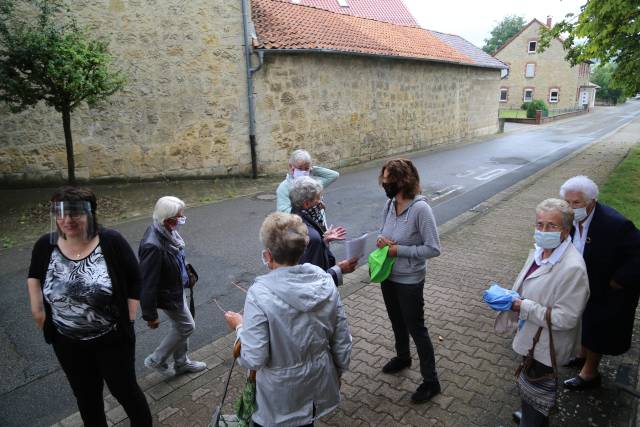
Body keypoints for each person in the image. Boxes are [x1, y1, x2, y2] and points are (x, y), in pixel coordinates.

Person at [27, 187, 152, 427]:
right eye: (61, 213)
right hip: (67, 342)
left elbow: (136, 278)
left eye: (75, 213)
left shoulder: (111, 241)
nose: (67, 220)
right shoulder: (46, 244)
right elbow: (34, 274)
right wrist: (37, 310)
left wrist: (130, 315)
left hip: (111, 339)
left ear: (90, 214)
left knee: (124, 390)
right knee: (86, 396)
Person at [224, 212, 352, 427]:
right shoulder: (324, 281)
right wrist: (337, 373)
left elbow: (254, 358)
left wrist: (239, 327)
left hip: (279, 399)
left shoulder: (259, 294)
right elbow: (341, 338)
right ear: (302, 249)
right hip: (317, 386)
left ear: (268, 255)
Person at [498, 198, 590, 426]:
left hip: (546, 345)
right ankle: (528, 415)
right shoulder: (540, 250)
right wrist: (509, 295)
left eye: (552, 226)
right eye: (540, 224)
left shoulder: (573, 268)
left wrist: (522, 306)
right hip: (531, 336)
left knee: (538, 391)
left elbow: (566, 318)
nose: (543, 230)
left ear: (566, 231)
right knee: (529, 386)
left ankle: (532, 420)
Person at [559, 176, 640, 390]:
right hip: (584, 284)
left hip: (607, 288)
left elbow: (637, 255)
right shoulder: (572, 220)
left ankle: (590, 373)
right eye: (567, 202)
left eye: (576, 203)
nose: (570, 207)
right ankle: (582, 355)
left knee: (598, 328)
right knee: (583, 322)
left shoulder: (615, 224)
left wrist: (617, 282)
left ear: (592, 201)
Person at [375, 158, 442, 403]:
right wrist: (382, 240)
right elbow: (385, 232)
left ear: (405, 180)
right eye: (383, 180)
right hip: (388, 275)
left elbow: (433, 248)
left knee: (417, 328)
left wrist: (398, 251)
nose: (385, 184)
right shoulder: (390, 204)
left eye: (389, 180)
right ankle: (403, 357)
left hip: (410, 279)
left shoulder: (421, 209)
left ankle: (431, 381)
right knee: (396, 321)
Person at [139, 196, 206, 376]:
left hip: (176, 288)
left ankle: (182, 363)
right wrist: (150, 315)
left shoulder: (166, 232)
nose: (182, 220)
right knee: (187, 326)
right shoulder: (152, 246)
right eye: (180, 217)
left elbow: (176, 258)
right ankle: (156, 360)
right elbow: (147, 282)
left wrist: (186, 275)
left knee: (181, 326)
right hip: (168, 294)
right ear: (168, 219)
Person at [289, 176, 357, 286]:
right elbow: (315, 280)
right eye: (318, 198)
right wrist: (339, 269)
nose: (321, 203)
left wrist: (323, 240)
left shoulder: (291, 218)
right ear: (306, 204)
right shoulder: (310, 236)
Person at [276, 149, 339, 215]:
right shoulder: (284, 187)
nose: (303, 171)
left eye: (306, 168)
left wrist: (312, 169)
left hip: (318, 223)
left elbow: (333, 175)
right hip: (299, 223)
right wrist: (308, 209)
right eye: (300, 168)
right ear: (291, 167)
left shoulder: (314, 184)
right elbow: (282, 212)